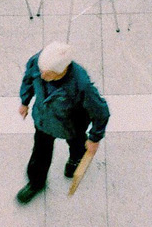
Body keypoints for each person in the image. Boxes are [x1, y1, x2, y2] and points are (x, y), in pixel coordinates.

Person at [15, 41, 111, 204]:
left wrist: (95, 138)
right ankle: (36, 182)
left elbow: (101, 111)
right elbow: (28, 80)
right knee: (40, 153)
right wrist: (25, 101)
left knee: (77, 145)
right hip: (44, 121)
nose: (43, 77)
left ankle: (75, 161)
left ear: (63, 71)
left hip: (72, 125)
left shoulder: (81, 84)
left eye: (49, 74)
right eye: (41, 72)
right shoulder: (39, 63)